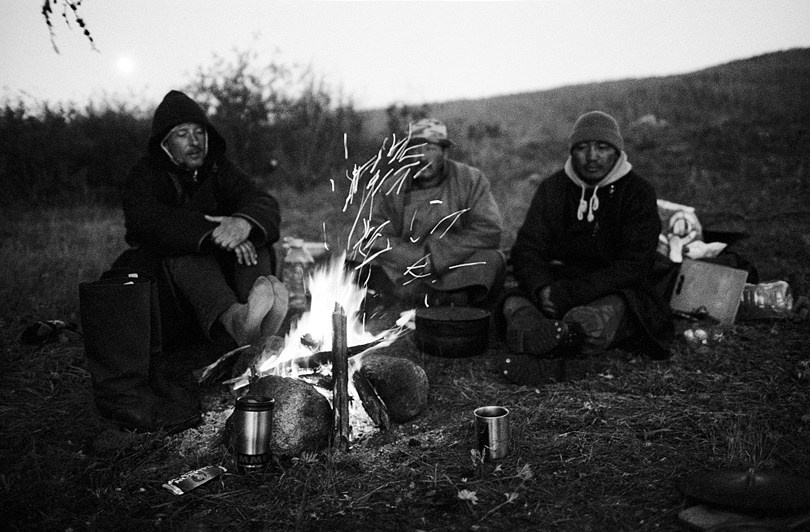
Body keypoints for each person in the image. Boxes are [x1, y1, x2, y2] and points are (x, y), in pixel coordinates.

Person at [80, 90, 287, 433]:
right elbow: (149, 224)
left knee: (254, 242)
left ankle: (257, 322)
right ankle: (237, 321)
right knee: (190, 251)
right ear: (164, 143)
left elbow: (262, 201)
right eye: (182, 134)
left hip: (223, 274)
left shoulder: (218, 168)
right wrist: (217, 229)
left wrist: (244, 223)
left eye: (200, 132)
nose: (195, 142)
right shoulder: (145, 176)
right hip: (176, 295)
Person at [499, 111, 672, 385]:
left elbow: (635, 264)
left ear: (616, 151)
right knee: (513, 302)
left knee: (593, 322)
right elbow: (527, 249)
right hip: (556, 284)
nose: (592, 156)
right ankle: (543, 335)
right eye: (582, 148)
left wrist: (574, 293)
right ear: (572, 151)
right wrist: (542, 288)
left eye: (602, 147)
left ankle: (551, 345)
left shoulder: (637, 192)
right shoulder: (553, 189)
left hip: (611, 288)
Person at [357, 118, 506, 307]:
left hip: (454, 264)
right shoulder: (392, 186)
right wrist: (413, 258)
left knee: (491, 261)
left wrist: (436, 258)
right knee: (356, 263)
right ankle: (431, 297)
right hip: (408, 267)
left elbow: (489, 229)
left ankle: (436, 296)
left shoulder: (470, 180)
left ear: (444, 152)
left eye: (430, 149)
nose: (421, 157)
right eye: (414, 150)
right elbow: (374, 235)